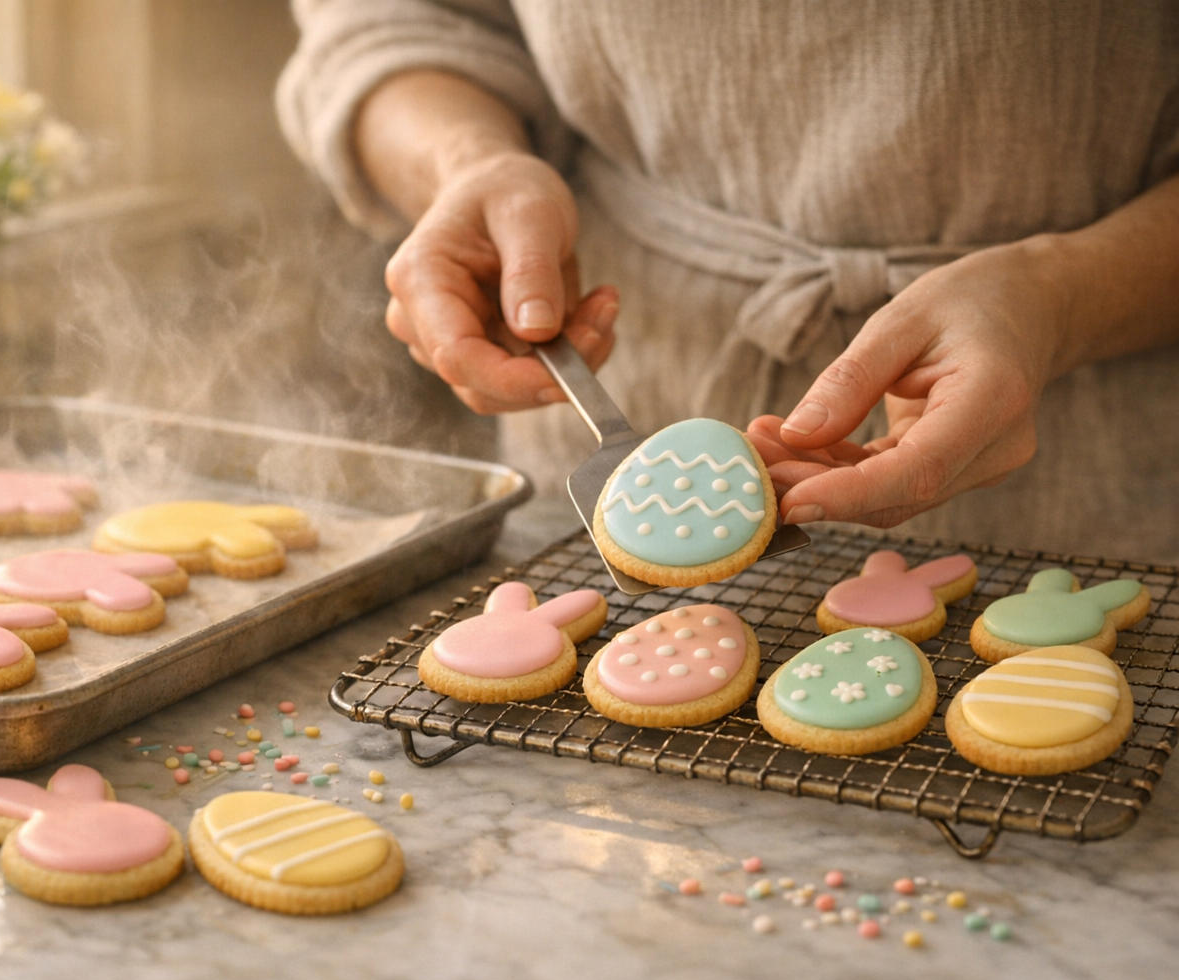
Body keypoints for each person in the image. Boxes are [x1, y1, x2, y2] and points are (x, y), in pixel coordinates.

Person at [278, 2, 1179, 562]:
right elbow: (395, 19)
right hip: (631, 367)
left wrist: (1066, 297)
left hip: (1098, 479)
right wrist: (465, 162)